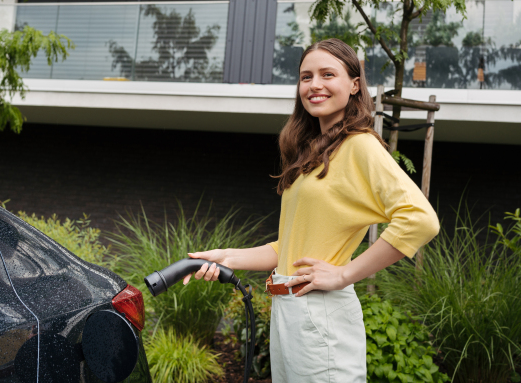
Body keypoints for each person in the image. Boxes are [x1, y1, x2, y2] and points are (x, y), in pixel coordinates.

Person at [182, 38, 440, 382]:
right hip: (290, 310)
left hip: (320, 311)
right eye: (306, 76)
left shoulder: (359, 145)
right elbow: (290, 247)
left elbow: (420, 221)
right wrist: (227, 257)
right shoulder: (312, 155)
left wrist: (344, 274)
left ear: (354, 85)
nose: (314, 85)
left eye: (327, 74)